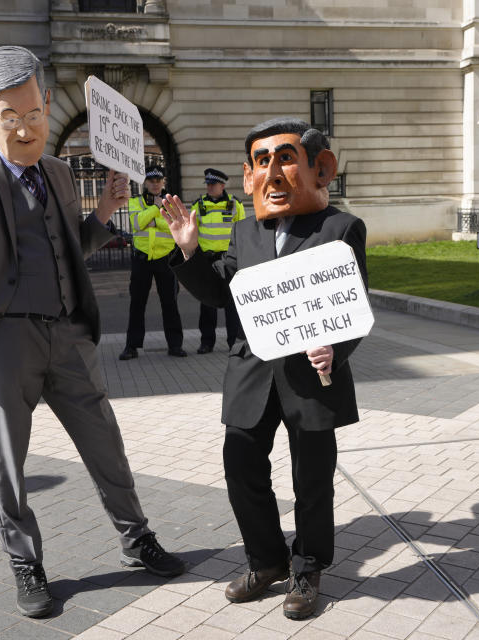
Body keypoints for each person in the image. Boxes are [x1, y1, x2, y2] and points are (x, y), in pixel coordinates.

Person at [0, 45, 185, 619]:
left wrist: (105, 212)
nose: (27, 129)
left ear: (48, 103)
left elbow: (69, 249)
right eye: (12, 118)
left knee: (105, 439)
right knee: (9, 459)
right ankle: (25, 564)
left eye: (34, 115)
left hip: (67, 335)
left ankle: (137, 538)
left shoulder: (59, 173)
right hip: (5, 339)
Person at [161, 117, 367, 620]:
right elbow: (219, 291)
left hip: (310, 379)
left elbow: (354, 302)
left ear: (319, 168)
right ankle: (266, 560)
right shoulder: (244, 231)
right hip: (252, 372)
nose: (273, 173)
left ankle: (308, 567)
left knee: (312, 480)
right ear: (249, 175)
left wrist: (335, 350)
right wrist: (189, 248)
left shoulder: (339, 228)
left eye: (286, 159)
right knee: (241, 467)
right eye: (261, 162)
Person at [119, 166, 186, 360]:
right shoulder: (135, 201)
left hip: (166, 258)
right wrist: (157, 208)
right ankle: (131, 347)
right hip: (142, 258)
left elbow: (176, 225)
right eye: (151, 181)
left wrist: (156, 222)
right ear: (145, 183)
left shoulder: (172, 202)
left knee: (170, 303)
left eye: (158, 180)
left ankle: (175, 345)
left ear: (163, 182)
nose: (155, 184)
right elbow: (137, 223)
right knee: (137, 303)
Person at [191, 167, 245, 353]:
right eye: (208, 184)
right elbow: (193, 232)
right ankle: (206, 342)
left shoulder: (235, 204)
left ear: (222, 185)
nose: (210, 187)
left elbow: (243, 233)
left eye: (213, 184)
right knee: (207, 303)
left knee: (231, 303)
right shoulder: (198, 205)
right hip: (207, 260)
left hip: (229, 259)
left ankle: (234, 342)